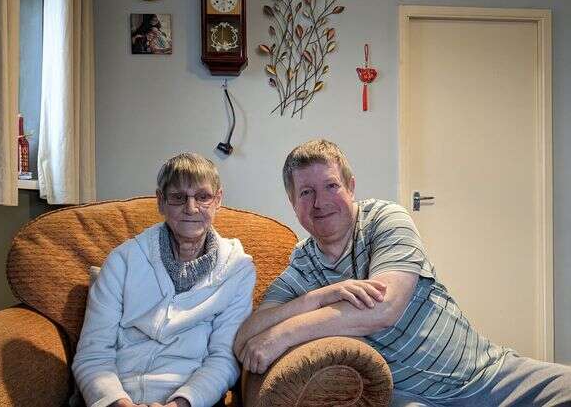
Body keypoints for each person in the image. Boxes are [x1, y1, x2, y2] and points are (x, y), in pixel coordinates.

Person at [234, 139, 571, 406]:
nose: (320, 202)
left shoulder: (384, 219)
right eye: (306, 192)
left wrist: (283, 334)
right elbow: (245, 337)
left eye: (331, 186)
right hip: (411, 398)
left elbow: (384, 307)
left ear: (351, 187)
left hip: (489, 373)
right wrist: (319, 296)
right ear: (294, 204)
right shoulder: (303, 266)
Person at [73, 153, 256, 407]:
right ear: (161, 201)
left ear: (218, 200)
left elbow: (223, 358)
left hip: (189, 400)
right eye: (178, 197)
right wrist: (118, 403)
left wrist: (180, 403)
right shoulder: (123, 260)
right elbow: (92, 354)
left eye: (202, 197)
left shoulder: (238, 269)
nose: (191, 208)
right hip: (116, 397)